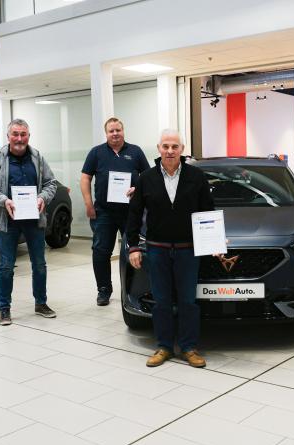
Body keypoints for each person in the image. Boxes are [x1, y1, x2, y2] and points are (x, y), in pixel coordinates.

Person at [126, 129, 214, 368]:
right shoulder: (145, 178)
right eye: (165, 146)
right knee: (162, 301)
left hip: (188, 249)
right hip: (157, 250)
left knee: (188, 301)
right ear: (159, 149)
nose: (170, 151)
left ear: (182, 150)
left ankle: (189, 347)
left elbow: (207, 211)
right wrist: (133, 247)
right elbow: (133, 216)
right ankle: (164, 346)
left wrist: (213, 240)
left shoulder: (197, 177)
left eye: (174, 146)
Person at [0, 119, 58, 326]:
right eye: (15, 134)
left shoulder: (38, 157)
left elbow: (51, 183)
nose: (19, 138)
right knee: (6, 266)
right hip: (8, 221)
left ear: (28, 136)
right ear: (8, 137)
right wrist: (4, 200)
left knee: (39, 264)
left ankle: (41, 303)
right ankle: (4, 309)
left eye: (23, 134)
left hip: (34, 220)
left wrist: (43, 198)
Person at [81, 118, 150, 306]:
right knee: (100, 251)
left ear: (123, 131)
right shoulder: (96, 153)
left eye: (118, 130)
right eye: (111, 131)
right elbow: (85, 178)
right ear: (106, 133)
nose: (115, 133)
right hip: (104, 212)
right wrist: (88, 204)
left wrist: (138, 190)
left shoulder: (135, 152)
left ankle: (135, 288)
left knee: (134, 250)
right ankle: (103, 289)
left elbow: (148, 178)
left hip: (132, 212)